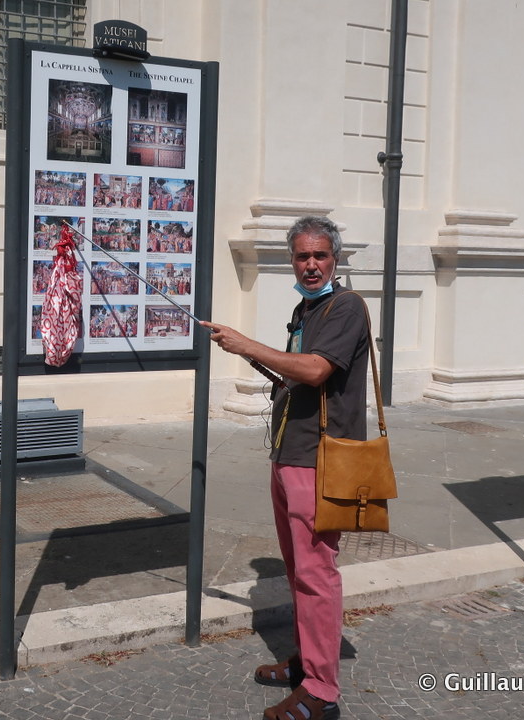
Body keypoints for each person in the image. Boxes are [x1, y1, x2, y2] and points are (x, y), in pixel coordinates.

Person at [201, 215, 369, 720]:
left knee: (316, 573)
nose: (311, 264)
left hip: (320, 461)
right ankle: (306, 662)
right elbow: (297, 370)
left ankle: (321, 693)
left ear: (335, 258)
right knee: (298, 570)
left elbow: (317, 369)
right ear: (291, 260)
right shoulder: (306, 308)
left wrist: (245, 344)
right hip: (288, 453)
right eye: (302, 256)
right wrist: (258, 357)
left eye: (320, 255)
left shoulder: (347, 306)